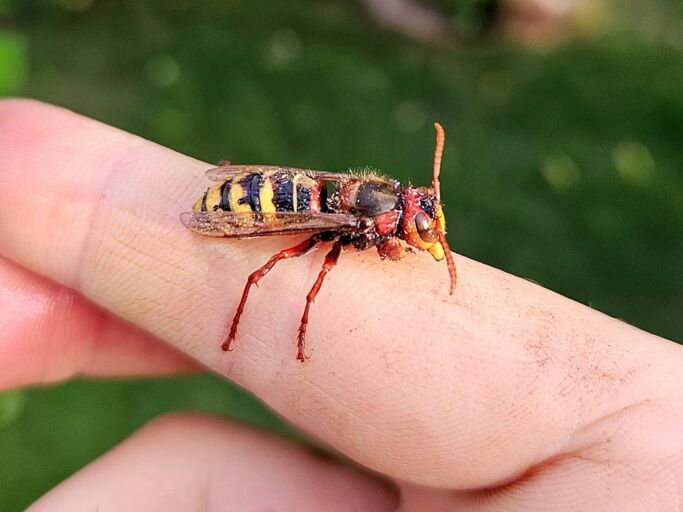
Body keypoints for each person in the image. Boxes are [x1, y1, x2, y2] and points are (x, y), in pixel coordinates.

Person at [1, 99, 681, 511]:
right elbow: (336, 242)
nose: (419, 226)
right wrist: (301, 321)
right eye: (419, 220)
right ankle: (249, 311)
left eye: (423, 219)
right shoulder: (357, 224)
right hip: (259, 205)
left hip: (276, 182)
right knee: (275, 260)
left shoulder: (374, 199)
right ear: (393, 214)